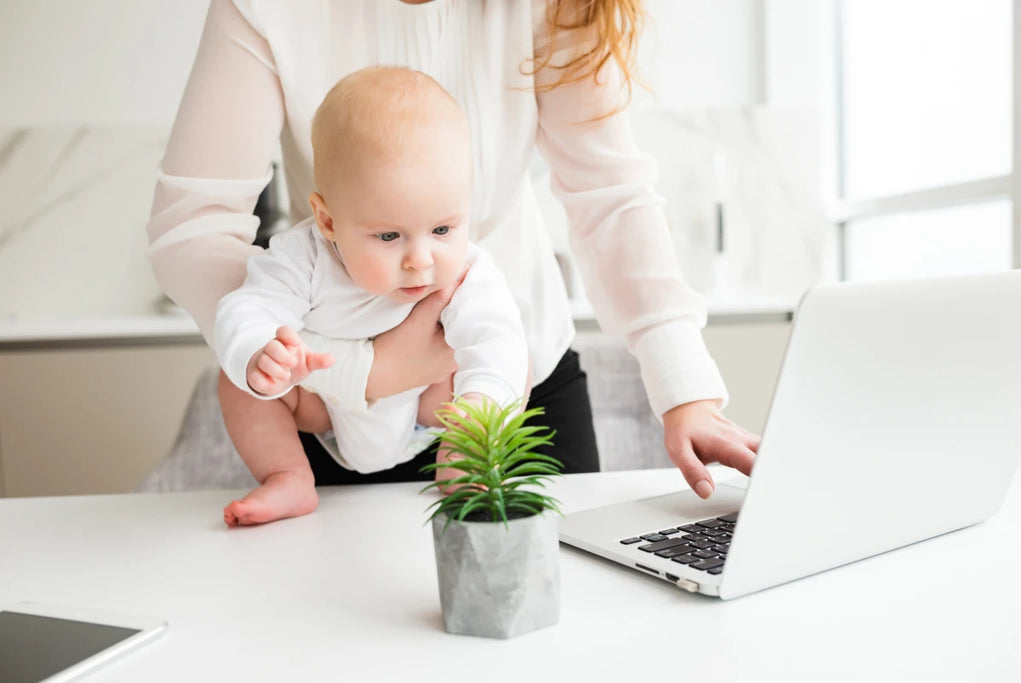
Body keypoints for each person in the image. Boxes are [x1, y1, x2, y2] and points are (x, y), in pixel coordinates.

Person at [147, 0, 760, 500]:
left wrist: (686, 390)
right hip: (328, 407)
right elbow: (196, 224)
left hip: (508, 392)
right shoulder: (266, 9)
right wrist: (365, 371)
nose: (417, 256)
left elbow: (610, 195)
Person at [214, 66, 529, 526]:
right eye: (388, 236)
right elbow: (247, 306)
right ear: (327, 220)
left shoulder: (467, 272)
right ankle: (287, 475)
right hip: (321, 410)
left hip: (428, 408)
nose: (420, 260)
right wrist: (261, 350)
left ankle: (461, 466)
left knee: (515, 358)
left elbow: (494, 335)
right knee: (234, 380)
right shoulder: (301, 258)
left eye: (443, 229)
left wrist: (482, 401)